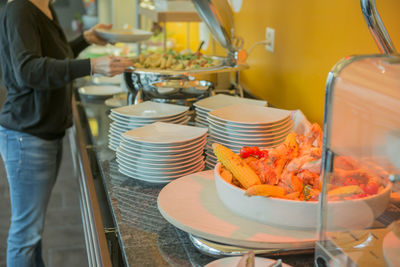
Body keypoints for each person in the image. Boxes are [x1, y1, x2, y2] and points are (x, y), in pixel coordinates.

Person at [0, 0, 134, 266]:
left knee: (32, 231)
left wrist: (85, 40)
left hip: (44, 132)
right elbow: (28, 70)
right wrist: (92, 66)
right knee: (25, 235)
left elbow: (55, 56)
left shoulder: (43, 8)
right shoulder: (20, 9)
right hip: (27, 137)